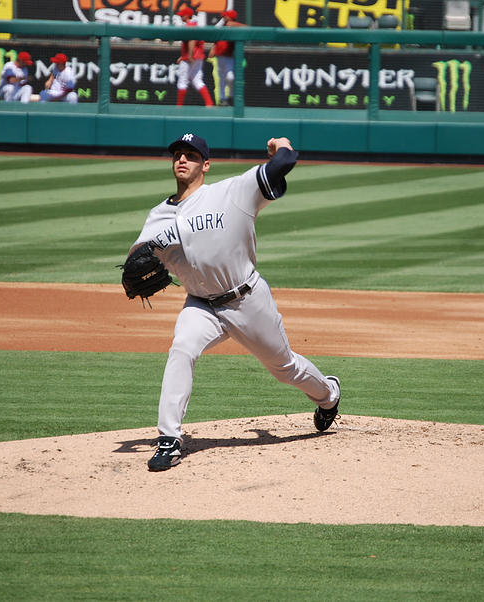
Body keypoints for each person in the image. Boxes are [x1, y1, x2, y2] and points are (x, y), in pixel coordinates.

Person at [130, 133, 341, 471]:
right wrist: (135, 268)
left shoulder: (233, 192)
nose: (182, 160)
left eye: (191, 155)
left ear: (206, 165)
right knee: (182, 348)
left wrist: (283, 145)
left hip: (247, 300)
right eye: (177, 155)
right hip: (201, 305)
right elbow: (136, 263)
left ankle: (329, 395)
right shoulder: (158, 216)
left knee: (284, 367)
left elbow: (284, 163)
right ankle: (169, 440)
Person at [175, 8, 215, 107]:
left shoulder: (189, 26)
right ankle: (209, 102)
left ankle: (179, 106)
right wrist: (183, 56)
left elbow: (192, 40)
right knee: (197, 80)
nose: (180, 16)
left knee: (182, 81)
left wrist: (189, 55)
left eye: (182, 14)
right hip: (198, 57)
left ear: (187, 16)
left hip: (191, 57)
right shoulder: (195, 25)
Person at [209, 9, 247, 106]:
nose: (223, 17)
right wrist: (213, 48)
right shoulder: (222, 25)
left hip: (229, 56)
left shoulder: (233, 26)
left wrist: (232, 23)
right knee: (221, 79)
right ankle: (222, 99)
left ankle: (231, 96)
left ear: (230, 17)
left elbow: (247, 28)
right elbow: (214, 34)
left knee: (230, 77)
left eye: (225, 16)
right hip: (219, 56)